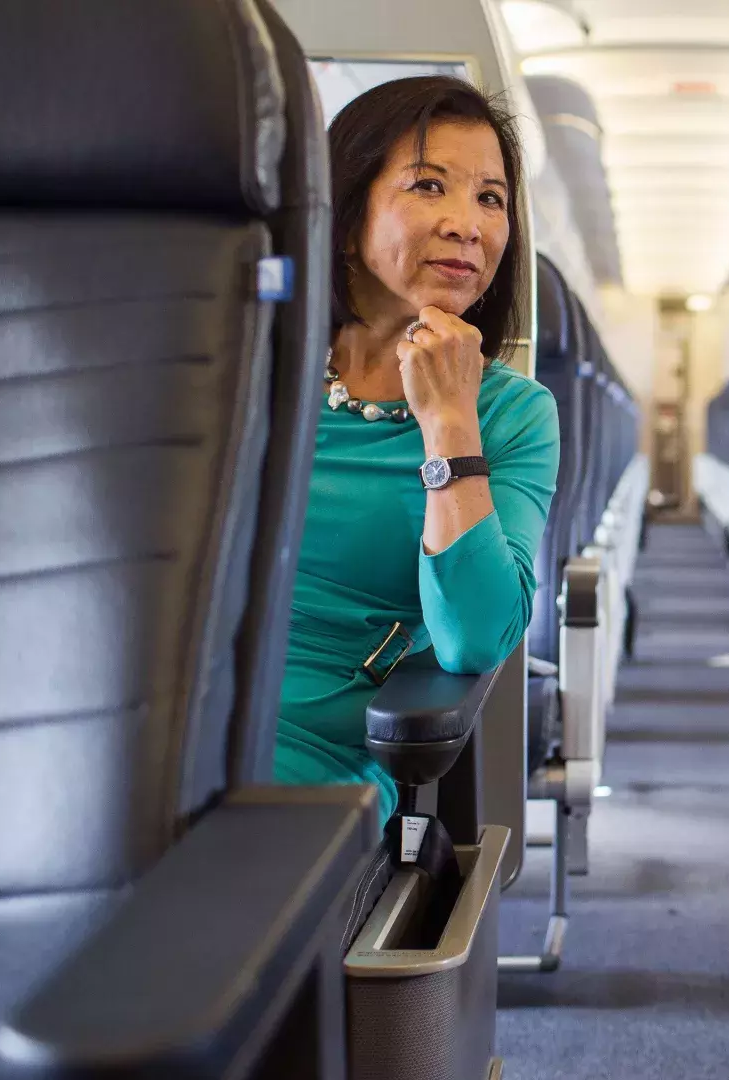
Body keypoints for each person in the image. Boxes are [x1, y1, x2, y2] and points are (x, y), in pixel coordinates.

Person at [276, 75, 560, 822]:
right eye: (430, 185)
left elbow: (474, 640)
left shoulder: (515, 414)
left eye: (491, 199)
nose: (469, 224)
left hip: (327, 754)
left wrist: (450, 424)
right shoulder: (251, 373)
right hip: (173, 716)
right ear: (345, 214)